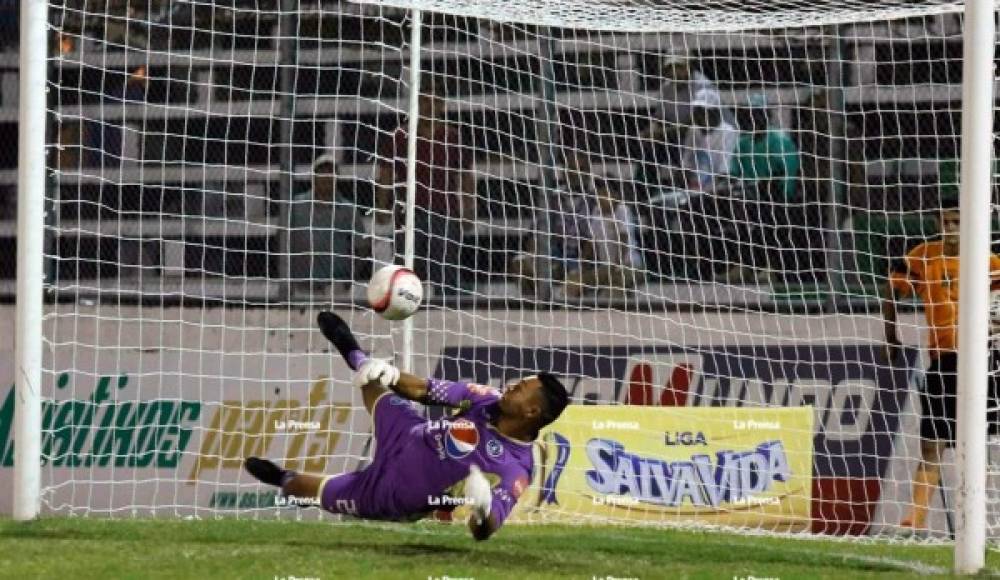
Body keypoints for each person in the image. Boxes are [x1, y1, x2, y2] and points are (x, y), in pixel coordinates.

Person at [245, 312, 570, 541]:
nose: (510, 386)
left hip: (394, 491)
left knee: (301, 486)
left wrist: (483, 510)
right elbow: (423, 390)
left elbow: (486, 529)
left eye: (520, 388)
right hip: (408, 433)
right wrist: (391, 374)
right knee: (372, 379)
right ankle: (354, 351)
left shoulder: (516, 469)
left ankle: (285, 480)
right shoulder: (485, 398)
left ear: (531, 411)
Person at [883, 204, 1000, 534]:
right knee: (932, 443)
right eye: (945, 221)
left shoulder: (988, 261)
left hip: (980, 362)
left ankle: (972, 520)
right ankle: (914, 520)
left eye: (957, 221)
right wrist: (891, 334)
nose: (950, 227)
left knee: (976, 442)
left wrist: (990, 326)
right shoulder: (923, 255)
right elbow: (891, 288)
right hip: (942, 361)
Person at [375, 78, 475, 294]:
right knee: (407, 272)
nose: (430, 106)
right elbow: (385, 174)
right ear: (417, 103)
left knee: (445, 271)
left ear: (442, 105)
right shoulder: (400, 136)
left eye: (435, 101)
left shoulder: (453, 137)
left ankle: (445, 313)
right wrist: (382, 206)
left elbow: (465, 176)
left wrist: (469, 209)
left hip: (444, 212)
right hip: (409, 213)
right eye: (425, 101)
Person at [718, 93, 801, 284]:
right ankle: (744, 266)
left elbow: (788, 176)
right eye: (750, 114)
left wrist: (780, 194)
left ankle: (771, 267)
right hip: (748, 196)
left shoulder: (780, 140)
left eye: (758, 114)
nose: (753, 118)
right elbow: (734, 173)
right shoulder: (743, 143)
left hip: (775, 197)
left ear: (767, 116)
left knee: (767, 210)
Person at [510, 151, 594, 297]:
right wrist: (534, 256)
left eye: (581, 169)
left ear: (588, 173)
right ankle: (534, 307)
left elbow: (594, 240)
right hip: (554, 254)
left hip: (581, 258)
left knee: (575, 276)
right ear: (564, 173)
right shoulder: (553, 198)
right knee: (520, 262)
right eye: (572, 169)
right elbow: (535, 233)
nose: (576, 175)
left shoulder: (594, 201)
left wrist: (581, 264)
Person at [288, 154, 358, 291]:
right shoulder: (296, 204)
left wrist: (351, 274)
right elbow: (282, 239)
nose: (326, 176)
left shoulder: (348, 209)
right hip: (301, 283)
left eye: (330, 172)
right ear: (313, 176)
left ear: (337, 177)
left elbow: (362, 246)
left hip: (336, 284)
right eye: (322, 172)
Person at [565, 178, 643, 299]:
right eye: (599, 194)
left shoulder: (622, 211)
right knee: (574, 280)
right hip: (605, 267)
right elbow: (591, 243)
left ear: (616, 195)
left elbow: (623, 241)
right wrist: (582, 267)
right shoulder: (597, 212)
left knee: (613, 288)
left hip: (628, 265)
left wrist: (616, 266)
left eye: (605, 194)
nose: (601, 198)